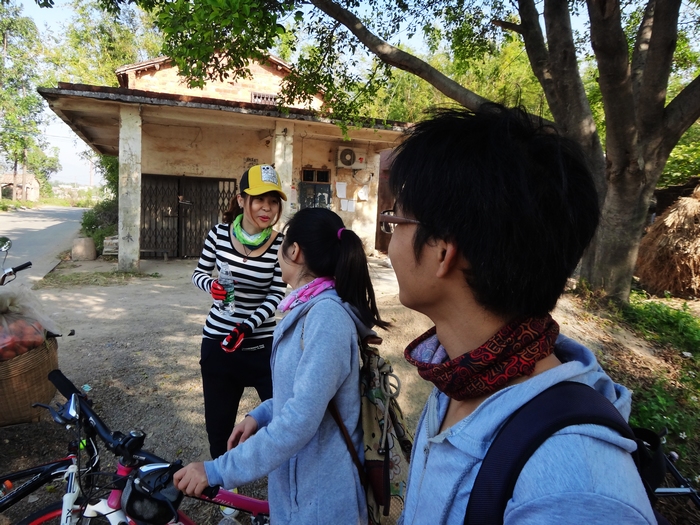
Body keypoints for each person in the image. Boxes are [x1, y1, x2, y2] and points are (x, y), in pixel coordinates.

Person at [379, 105, 658, 524]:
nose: (390, 239)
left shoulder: (575, 491)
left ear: (443, 251)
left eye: (396, 219)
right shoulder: (457, 376)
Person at [176, 207, 389, 524]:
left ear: (294, 251)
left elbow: (299, 421)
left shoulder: (326, 318)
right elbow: (304, 396)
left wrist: (216, 470)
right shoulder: (307, 307)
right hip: (298, 492)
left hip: (321, 501)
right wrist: (260, 415)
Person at [191, 164, 287, 460]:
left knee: (282, 417)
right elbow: (198, 273)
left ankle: (280, 472)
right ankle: (222, 478)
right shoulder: (218, 234)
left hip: (262, 344)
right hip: (219, 342)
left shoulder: (280, 244)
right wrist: (212, 286)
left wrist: (247, 326)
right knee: (218, 426)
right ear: (241, 199)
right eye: (259, 200)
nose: (267, 208)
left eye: (273, 201)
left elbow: (276, 293)